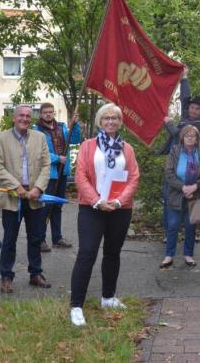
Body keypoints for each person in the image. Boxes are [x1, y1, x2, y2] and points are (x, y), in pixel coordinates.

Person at [70, 103, 140, 326]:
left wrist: (120, 200)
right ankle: (76, 306)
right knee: (87, 254)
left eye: (115, 118)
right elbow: (80, 176)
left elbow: (133, 177)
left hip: (120, 209)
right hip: (92, 208)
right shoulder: (88, 146)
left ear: (120, 122)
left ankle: (108, 297)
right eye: (106, 118)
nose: (111, 121)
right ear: (100, 121)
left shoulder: (127, 149)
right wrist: (97, 201)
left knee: (112, 253)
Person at [0, 104, 52, 293]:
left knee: (36, 238)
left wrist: (38, 188)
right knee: (10, 239)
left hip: (34, 196)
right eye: (21, 115)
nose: (25, 119)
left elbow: (46, 165)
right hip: (12, 197)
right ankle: (6, 277)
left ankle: (35, 274)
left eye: (28, 116)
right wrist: (16, 187)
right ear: (13, 118)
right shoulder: (1, 138)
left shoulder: (40, 137)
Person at [159, 67, 200, 236]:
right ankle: (169, 234)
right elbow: (185, 98)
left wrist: (169, 123)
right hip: (175, 167)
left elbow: (178, 134)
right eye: (192, 108)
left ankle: (188, 238)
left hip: (190, 174)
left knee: (190, 207)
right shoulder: (185, 116)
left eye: (197, 109)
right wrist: (184, 78)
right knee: (168, 200)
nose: (193, 110)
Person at [161, 125, 200, 268]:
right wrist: (183, 187)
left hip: (195, 195)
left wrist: (195, 186)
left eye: (193, 135)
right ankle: (169, 255)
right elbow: (168, 173)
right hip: (176, 194)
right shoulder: (175, 151)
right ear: (182, 137)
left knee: (190, 226)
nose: (190, 138)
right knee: (173, 225)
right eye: (187, 135)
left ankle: (188, 255)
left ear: (197, 138)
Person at [34, 102, 81, 252]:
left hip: (63, 172)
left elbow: (74, 139)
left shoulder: (62, 127)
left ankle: (57, 237)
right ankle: (40, 239)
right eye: (45, 112)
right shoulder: (37, 130)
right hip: (49, 174)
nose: (48, 114)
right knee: (45, 207)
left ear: (54, 113)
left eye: (51, 112)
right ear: (41, 114)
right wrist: (56, 158)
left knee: (57, 206)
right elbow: (39, 153)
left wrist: (75, 124)